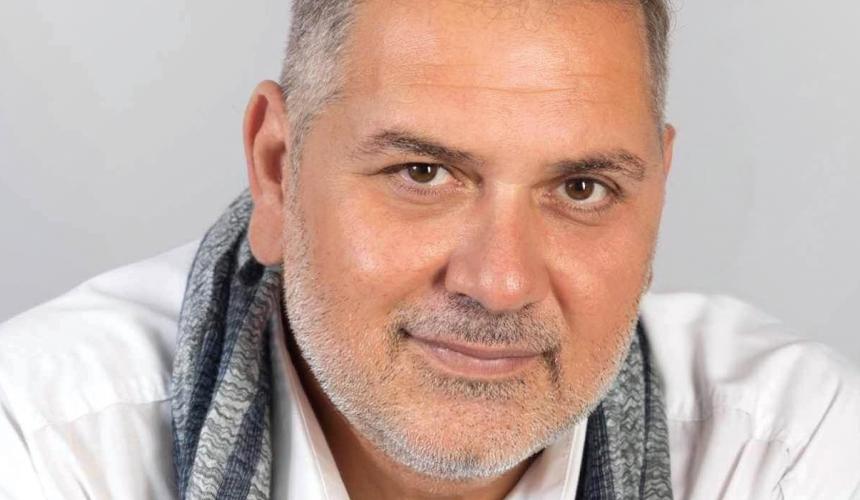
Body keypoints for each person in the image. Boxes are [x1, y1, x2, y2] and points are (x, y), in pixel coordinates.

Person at [1, 0, 859, 498]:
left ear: (658, 196)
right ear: (277, 170)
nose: (500, 282)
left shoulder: (782, 453)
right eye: (423, 173)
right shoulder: (45, 445)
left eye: (581, 188)